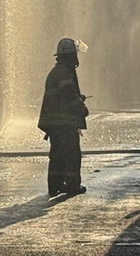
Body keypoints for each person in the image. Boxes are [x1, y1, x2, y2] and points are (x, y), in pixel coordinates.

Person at [38, 37, 89, 197]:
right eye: (75, 54)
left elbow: (63, 94)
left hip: (55, 124)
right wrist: (82, 108)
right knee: (72, 154)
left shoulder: (59, 71)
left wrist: (77, 97)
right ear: (71, 55)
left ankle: (55, 186)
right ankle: (73, 185)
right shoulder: (64, 72)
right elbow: (68, 94)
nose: (76, 58)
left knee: (58, 155)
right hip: (64, 124)